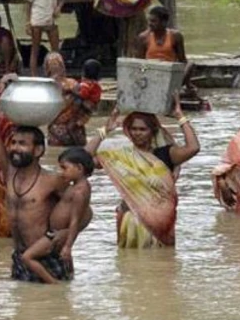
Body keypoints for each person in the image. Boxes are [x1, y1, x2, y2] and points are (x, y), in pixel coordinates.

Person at [0, 74, 71, 281]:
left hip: (47, 260)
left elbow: (84, 212)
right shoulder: (9, 171)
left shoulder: (53, 181)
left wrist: (66, 237)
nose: (15, 148)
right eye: (13, 142)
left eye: (22, 144)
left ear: (38, 150)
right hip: (20, 259)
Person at [85, 95, 200, 248]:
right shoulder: (121, 156)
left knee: (161, 266)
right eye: (133, 129)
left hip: (161, 223)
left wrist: (179, 116)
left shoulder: (166, 155)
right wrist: (105, 130)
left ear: (152, 131)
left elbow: (193, 148)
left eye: (142, 129)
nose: (137, 133)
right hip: (130, 219)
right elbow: (83, 160)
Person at [21, 147, 93, 284]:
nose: (62, 173)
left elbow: (75, 220)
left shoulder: (79, 192)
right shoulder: (77, 186)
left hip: (55, 234)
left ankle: (54, 284)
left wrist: (68, 246)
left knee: (27, 257)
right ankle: (70, 280)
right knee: (65, 264)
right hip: (56, 232)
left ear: (79, 168)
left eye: (64, 168)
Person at [46, 54, 103, 146]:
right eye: (52, 66)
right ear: (47, 69)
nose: (56, 69)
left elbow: (89, 105)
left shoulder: (73, 84)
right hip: (57, 131)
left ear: (63, 67)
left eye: (58, 65)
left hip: (74, 128)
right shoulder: (46, 88)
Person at [24, 0, 65, 76]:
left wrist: (58, 8)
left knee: (55, 51)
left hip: (50, 18)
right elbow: (28, 3)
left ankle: (57, 75)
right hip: (37, 19)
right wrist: (28, 22)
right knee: (35, 50)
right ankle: (34, 76)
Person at [135, 6, 194, 90]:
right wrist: (142, 76)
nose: (150, 24)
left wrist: (187, 81)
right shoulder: (143, 37)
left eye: (154, 21)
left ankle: (179, 86)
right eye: (149, 21)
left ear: (164, 22)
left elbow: (182, 61)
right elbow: (139, 62)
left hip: (169, 72)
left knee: (190, 64)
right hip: (150, 71)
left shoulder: (176, 36)